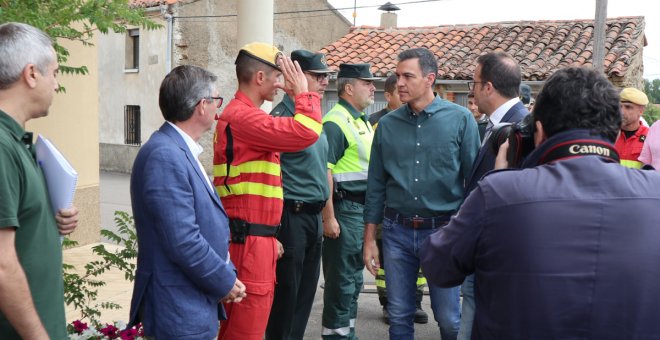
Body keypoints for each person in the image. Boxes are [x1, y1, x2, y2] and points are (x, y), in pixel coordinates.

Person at [421, 66, 660, 339]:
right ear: (616, 135)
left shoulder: (499, 193)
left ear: (539, 131)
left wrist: (500, 181)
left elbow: (437, 265)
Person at [363, 47, 480, 340]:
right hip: (396, 232)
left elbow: (474, 184)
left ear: (429, 79)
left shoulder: (461, 120)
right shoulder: (387, 126)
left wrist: (465, 235)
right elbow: (375, 185)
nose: (399, 82)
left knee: (449, 319)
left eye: (407, 76)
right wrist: (369, 240)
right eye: (397, 75)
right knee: (400, 318)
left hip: (443, 232)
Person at [213, 42, 322, 340]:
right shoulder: (245, 117)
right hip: (248, 243)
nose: (281, 84)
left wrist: (268, 237)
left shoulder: (245, 116)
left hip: (254, 239)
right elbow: (308, 132)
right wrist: (303, 92)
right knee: (244, 331)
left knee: (250, 325)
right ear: (259, 78)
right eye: (277, 76)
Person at [127, 65, 244, 339]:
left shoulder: (178, 149)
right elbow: (183, 240)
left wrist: (226, 274)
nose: (219, 108)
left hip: (189, 299)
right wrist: (223, 280)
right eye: (217, 100)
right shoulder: (164, 155)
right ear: (202, 106)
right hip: (177, 308)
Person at [0, 22, 79, 339]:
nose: (56, 84)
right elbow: (2, 268)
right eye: (55, 73)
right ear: (31, 74)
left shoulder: (17, 141)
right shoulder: (3, 147)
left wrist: (52, 218)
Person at [460, 51, 529, 340]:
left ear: (488, 87)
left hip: (495, 251)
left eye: (473, 84)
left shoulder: (521, 128)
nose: (472, 92)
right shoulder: (496, 125)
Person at [265, 49, 334, 340]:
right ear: (295, 77)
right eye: (316, 76)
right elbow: (271, 178)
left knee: (305, 297)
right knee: (286, 300)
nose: (324, 82)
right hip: (290, 217)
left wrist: (327, 215)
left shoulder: (314, 118)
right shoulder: (281, 119)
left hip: (313, 218)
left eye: (325, 77)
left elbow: (324, 170)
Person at [367, 73, 429, 325]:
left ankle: (415, 302)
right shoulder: (376, 123)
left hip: (415, 203)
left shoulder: (418, 122)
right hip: (387, 203)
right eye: (398, 93)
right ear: (389, 96)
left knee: (420, 262)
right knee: (386, 260)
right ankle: (388, 303)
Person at [321, 63, 376, 339]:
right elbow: (324, 171)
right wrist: (328, 217)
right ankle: (337, 336)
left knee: (353, 282)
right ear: (349, 88)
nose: (373, 87)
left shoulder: (359, 119)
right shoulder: (336, 121)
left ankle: (347, 334)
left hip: (359, 210)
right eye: (367, 83)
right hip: (344, 209)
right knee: (341, 283)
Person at [614, 87, 649, 168]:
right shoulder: (609, 134)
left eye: (628, 107)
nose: (621, 112)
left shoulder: (650, 137)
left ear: (641, 111)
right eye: (620, 107)